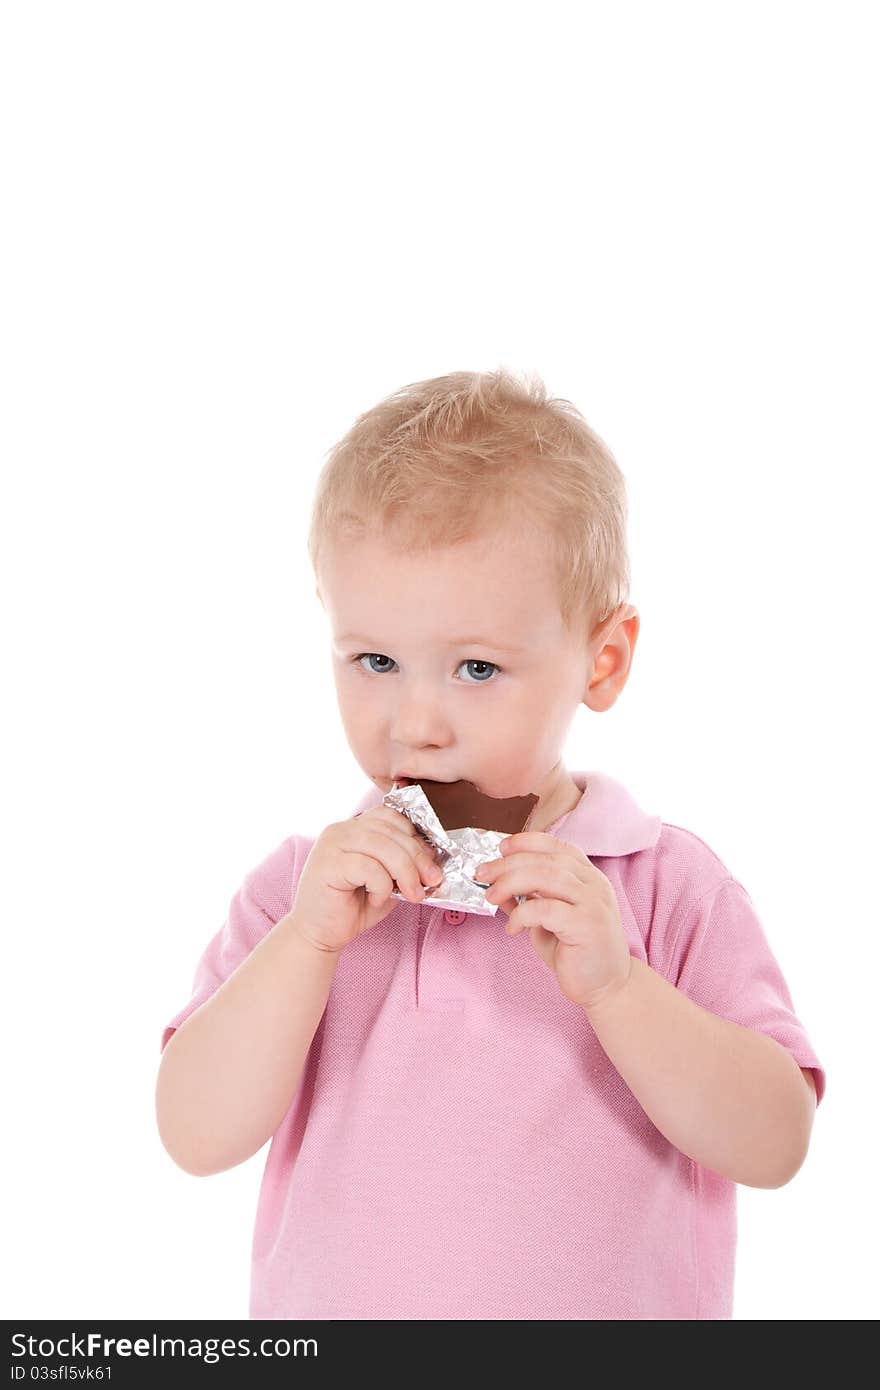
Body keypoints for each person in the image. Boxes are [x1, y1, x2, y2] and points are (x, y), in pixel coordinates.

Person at [155, 368, 825, 1320]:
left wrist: (620, 988)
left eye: (477, 668)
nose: (417, 723)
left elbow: (775, 1144)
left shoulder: (668, 887)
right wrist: (304, 948)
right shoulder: (303, 895)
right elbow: (193, 1133)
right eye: (375, 661)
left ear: (604, 660)